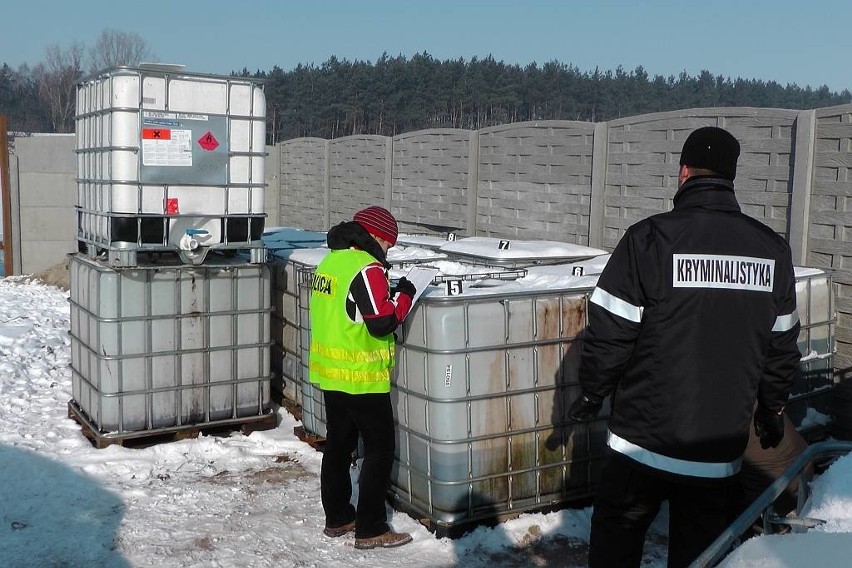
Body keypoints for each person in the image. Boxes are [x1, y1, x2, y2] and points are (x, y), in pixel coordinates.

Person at [568, 126, 802, 567]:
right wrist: (771, 411)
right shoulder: (772, 251)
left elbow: (610, 332)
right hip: (715, 454)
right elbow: (782, 347)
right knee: (700, 555)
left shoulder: (648, 240)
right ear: (732, 178)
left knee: (617, 543)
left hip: (639, 444)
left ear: (683, 173)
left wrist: (592, 391)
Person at [308, 205, 417, 550]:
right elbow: (382, 321)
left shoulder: (330, 262)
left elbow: (348, 310)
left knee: (338, 445)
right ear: (377, 238)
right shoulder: (366, 268)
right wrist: (405, 296)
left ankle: (338, 517)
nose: (388, 252)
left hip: (331, 373)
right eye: (388, 244)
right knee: (379, 449)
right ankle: (370, 528)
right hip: (362, 377)